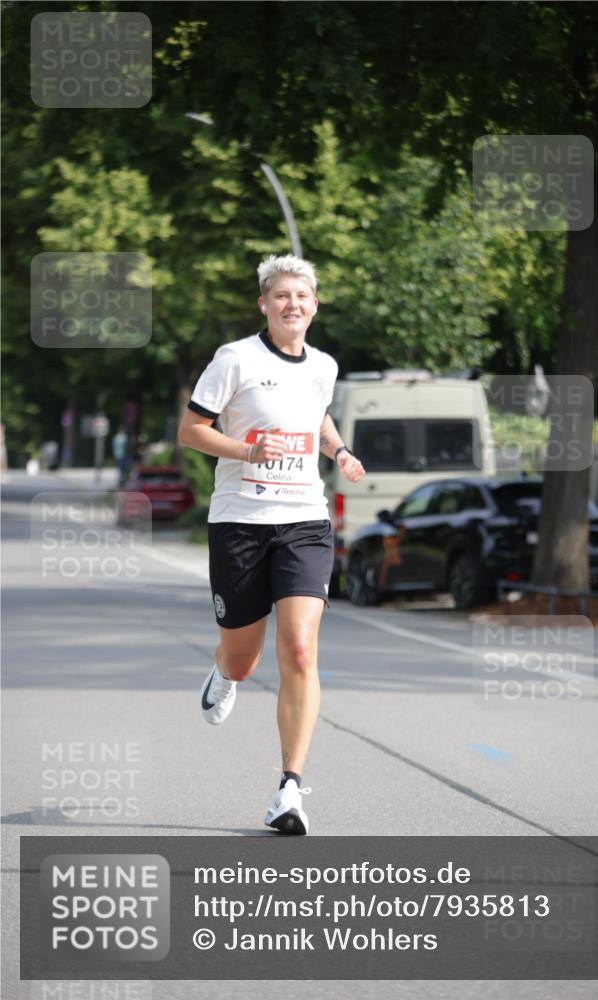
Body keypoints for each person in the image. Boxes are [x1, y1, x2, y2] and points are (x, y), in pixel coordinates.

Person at [178, 254, 365, 835]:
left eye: (302, 297)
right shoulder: (235, 359)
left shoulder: (325, 366)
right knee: (243, 654)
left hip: (304, 522)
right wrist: (246, 452)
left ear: (314, 305)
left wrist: (337, 452)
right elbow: (191, 431)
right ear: (264, 303)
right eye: (281, 296)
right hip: (239, 522)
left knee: (302, 650)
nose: (292, 305)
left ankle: (289, 789)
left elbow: (318, 417)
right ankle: (224, 671)